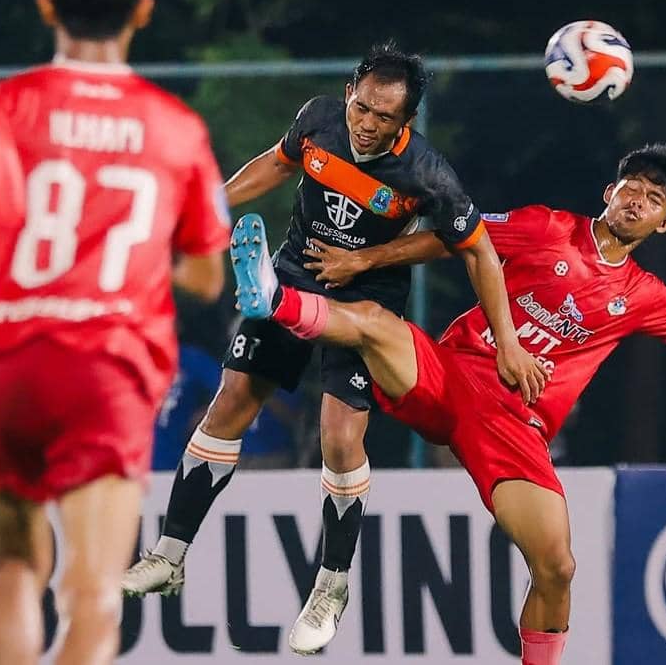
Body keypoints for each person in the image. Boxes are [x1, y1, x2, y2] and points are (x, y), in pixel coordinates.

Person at [230, 143, 666, 665]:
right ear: (608, 193)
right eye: (631, 187)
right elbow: (455, 237)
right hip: (452, 376)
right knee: (372, 319)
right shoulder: (545, 226)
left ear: (663, 224)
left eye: (654, 199)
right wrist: (367, 256)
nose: (637, 199)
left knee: (557, 566)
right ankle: (273, 300)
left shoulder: (642, 294)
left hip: (513, 427)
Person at [122, 43, 544, 656]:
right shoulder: (319, 119)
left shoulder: (427, 175)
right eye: (362, 108)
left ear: (407, 123)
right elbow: (276, 163)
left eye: (384, 119)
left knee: (341, 438)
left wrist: (506, 341)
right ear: (350, 92)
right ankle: (170, 553)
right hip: (295, 270)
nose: (367, 125)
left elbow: (476, 249)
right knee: (231, 403)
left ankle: (331, 585)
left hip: (366, 301)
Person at [0, 0, 229, 664]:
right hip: (107, 364)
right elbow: (207, 276)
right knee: (93, 589)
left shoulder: (1, 102)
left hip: (8, 354)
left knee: (16, 561)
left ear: (46, 4)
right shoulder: (174, 127)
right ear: (142, 10)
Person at [152, 341, 222, 471]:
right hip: (124, 470)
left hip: (173, 465)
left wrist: (207, 416)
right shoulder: (121, 358)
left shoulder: (191, 359)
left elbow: (232, 393)